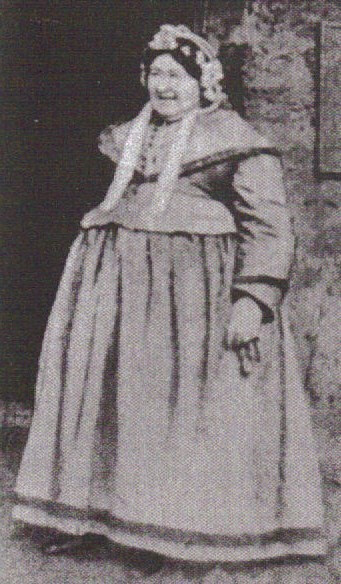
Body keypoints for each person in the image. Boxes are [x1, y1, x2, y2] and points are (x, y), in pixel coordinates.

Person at [13, 24, 326, 578]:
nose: (163, 86)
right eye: (154, 74)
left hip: (194, 304)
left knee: (186, 411)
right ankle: (107, 518)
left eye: (174, 76)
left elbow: (270, 227)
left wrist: (252, 301)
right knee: (120, 404)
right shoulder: (127, 138)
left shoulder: (236, 140)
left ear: (203, 83)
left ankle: (187, 532)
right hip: (120, 299)